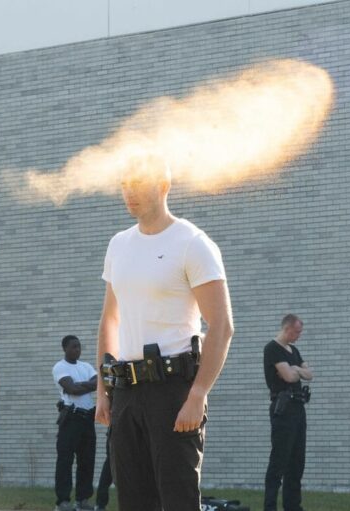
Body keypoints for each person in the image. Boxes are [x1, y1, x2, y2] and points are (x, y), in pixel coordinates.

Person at [95, 157, 234, 511]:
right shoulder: (119, 244)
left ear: (163, 186)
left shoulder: (192, 243)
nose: (129, 194)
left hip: (174, 392)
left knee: (177, 501)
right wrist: (103, 389)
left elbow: (221, 326)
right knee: (133, 503)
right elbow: (109, 320)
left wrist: (198, 393)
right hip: (125, 390)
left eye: (138, 185)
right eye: (124, 185)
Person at [263, 314, 313, 511]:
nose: (299, 335)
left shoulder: (294, 350)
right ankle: (270, 506)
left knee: (297, 461)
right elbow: (289, 376)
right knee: (279, 461)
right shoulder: (272, 349)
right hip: (283, 410)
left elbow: (309, 374)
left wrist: (297, 369)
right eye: (297, 331)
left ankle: (293, 506)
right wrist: (297, 370)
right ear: (287, 328)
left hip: (298, 408)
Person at [52, 335, 98, 511]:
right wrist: (89, 385)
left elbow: (98, 382)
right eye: (73, 347)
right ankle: (63, 501)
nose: (77, 350)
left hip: (87, 418)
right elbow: (72, 389)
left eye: (79, 347)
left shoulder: (86, 366)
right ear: (65, 348)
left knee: (87, 459)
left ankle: (83, 499)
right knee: (65, 460)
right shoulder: (60, 367)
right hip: (70, 417)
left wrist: (82, 385)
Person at [94, 430, 113, 511]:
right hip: (116, 434)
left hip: (114, 434)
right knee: (109, 466)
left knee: (109, 466)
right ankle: (100, 504)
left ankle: (100, 504)